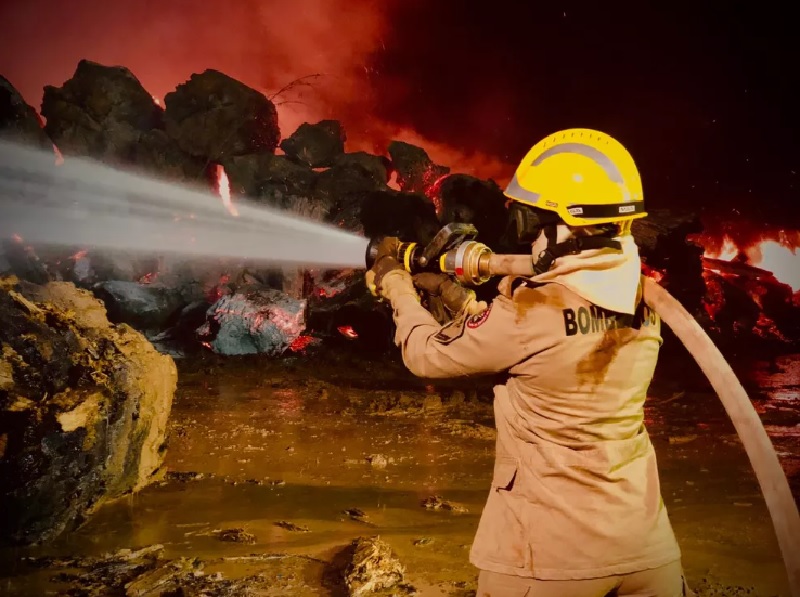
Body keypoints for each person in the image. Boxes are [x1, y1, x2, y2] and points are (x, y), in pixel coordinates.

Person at [366, 129, 690, 596]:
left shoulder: (531, 311)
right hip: (646, 548)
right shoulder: (644, 297)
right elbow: (553, 344)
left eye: (539, 221)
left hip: (550, 559)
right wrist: (453, 294)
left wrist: (396, 283)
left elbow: (426, 355)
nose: (533, 234)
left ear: (566, 226)